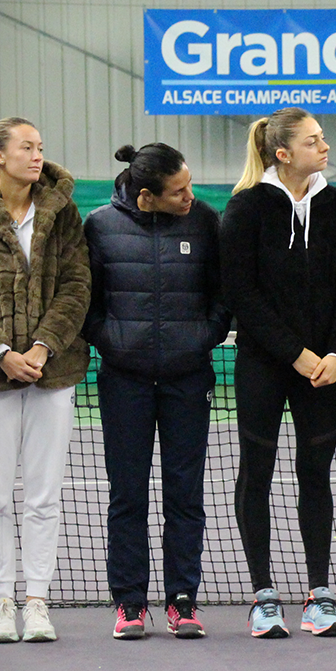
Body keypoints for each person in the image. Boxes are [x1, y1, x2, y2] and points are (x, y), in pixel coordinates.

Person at [0, 117, 91, 643]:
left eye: (40, 147)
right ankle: (1, 602)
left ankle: (37, 602)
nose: (37, 155)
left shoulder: (63, 211)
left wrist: (44, 347)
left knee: (44, 497)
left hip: (55, 373)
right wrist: (2, 354)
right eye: (26, 147)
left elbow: (76, 285)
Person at [219, 107, 336, 638]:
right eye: (312, 141)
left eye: (322, 138)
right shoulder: (246, 207)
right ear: (282, 153)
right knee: (256, 472)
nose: (324, 147)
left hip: (324, 370)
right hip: (264, 366)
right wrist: (295, 354)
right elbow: (240, 293)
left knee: (315, 474)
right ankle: (263, 597)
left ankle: (319, 595)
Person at [84, 142, 230, 639]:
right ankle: (129, 603)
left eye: (190, 185)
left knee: (185, 495)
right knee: (127, 496)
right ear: (147, 196)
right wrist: (113, 342)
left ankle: (182, 600)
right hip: (123, 381)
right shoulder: (99, 226)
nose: (190, 196)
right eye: (179, 190)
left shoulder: (204, 221)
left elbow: (221, 294)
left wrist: (203, 337)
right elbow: (88, 302)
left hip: (189, 381)